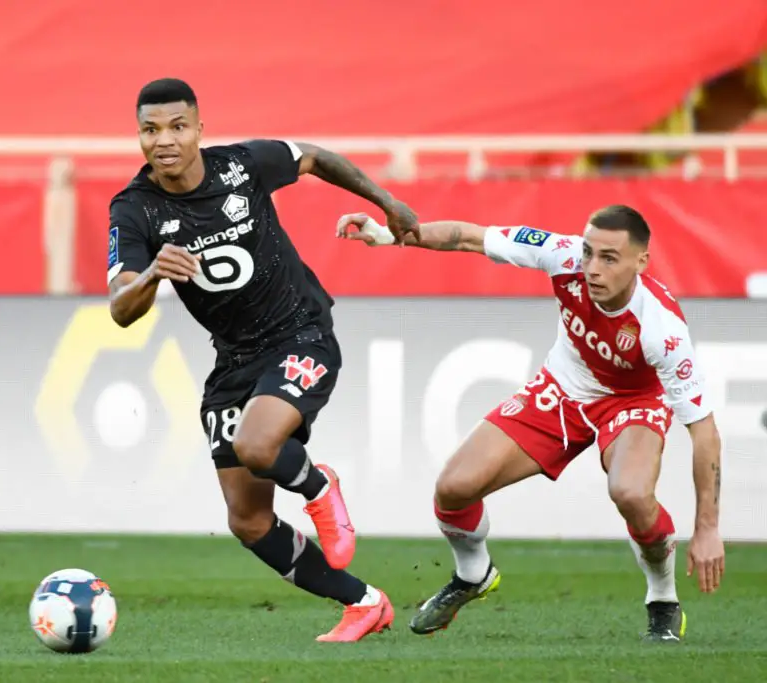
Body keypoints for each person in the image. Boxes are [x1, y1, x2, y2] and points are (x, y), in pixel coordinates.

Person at [107, 78, 418, 642]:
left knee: (257, 445)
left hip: (300, 333)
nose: (164, 140)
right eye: (150, 130)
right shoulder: (134, 209)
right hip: (234, 361)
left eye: (177, 127)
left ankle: (318, 486)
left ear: (199, 129)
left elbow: (314, 157)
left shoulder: (241, 166)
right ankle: (364, 603)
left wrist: (385, 202)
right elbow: (121, 308)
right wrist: (152, 273)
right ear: (139, 136)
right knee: (247, 520)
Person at [335, 204, 725, 642]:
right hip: (562, 387)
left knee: (631, 492)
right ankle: (473, 574)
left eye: (609, 258)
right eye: (588, 253)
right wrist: (390, 236)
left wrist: (707, 528)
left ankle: (662, 598)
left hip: (632, 401)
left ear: (641, 262)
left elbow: (704, 432)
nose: (592, 268)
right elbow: (472, 235)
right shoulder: (562, 255)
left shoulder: (662, 329)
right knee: (454, 488)